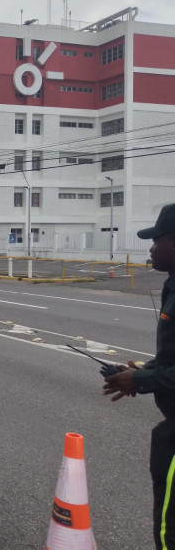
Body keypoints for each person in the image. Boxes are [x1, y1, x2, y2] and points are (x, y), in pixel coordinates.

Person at [103, 202, 175, 550]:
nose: (150, 247)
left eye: (156, 239)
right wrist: (140, 373)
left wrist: (145, 381)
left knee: (169, 529)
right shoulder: (172, 286)